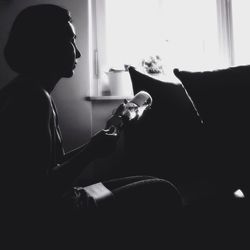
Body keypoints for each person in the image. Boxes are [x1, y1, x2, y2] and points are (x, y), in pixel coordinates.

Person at [0, 4, 183, 248]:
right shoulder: (33, 99)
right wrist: (91, 152)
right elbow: (39, 193)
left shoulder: (25, 90)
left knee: (151, 181)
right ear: (46, 44)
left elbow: (48, 166)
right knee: (163, 192)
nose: (78, 54)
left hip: (68, 199)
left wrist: (94, 143)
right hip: (59, 218)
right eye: (70, 41)